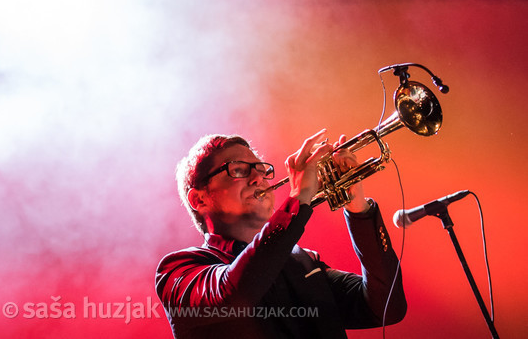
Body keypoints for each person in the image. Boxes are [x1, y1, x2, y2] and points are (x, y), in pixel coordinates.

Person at [155, 130, 406, 338]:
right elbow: (235, 294)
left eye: (261, 169)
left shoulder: (302, 261)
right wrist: (297, 201)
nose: (259, 177)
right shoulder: (177, 270)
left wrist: (358, 208)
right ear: (199, 198)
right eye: (239, 170)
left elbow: (387, 308)